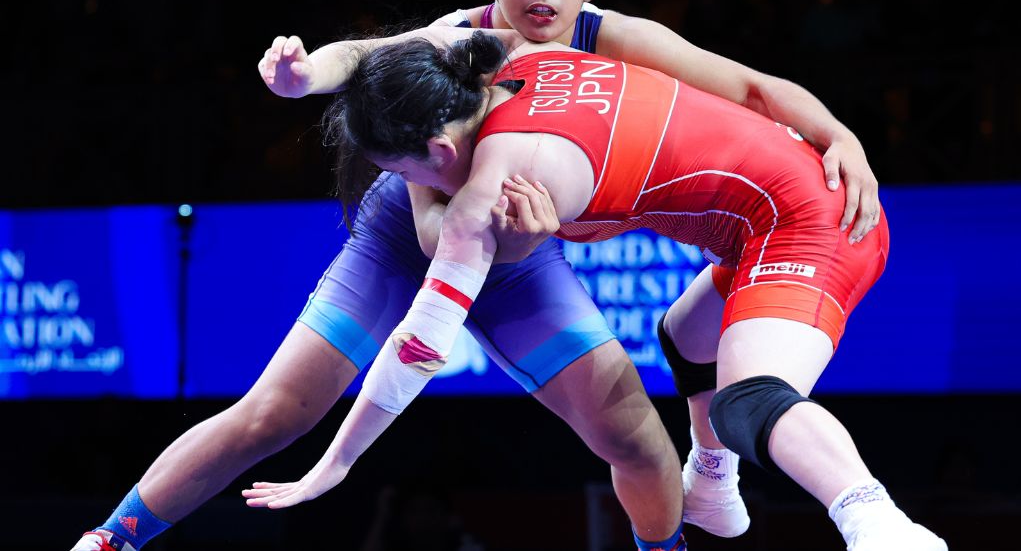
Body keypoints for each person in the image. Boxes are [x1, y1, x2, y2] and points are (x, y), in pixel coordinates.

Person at [73, 0, 880, 551]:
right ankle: (109, 539)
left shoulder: (619, 41)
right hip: (419, 234)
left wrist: (841, 136)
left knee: (637, 439)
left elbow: (749, 88)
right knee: (274, 413)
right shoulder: (462, 46)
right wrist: (301, 76)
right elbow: (401, 144)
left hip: (515, 249)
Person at [241, 27, 947, 551]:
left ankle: (876, 521)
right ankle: (712, 481)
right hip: (766, 216)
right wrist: (307, 79)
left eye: (406, 176)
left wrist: (333, 464)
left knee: (748, 400)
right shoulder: (506, 53)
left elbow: (418, 350)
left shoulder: (486, 188)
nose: (413, 191)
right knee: (685, 333)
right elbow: (382, 50)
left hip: (813, 226)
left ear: (440, 154)